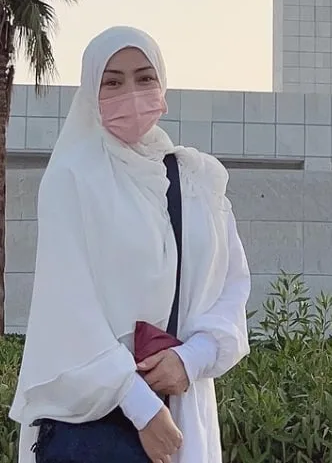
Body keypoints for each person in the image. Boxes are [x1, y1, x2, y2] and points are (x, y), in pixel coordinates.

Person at [10, 26, 251, 463]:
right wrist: (140, 405)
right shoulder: (73, 178)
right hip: (101, 417)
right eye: (113, 82)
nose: (131, 94)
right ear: (91, 91)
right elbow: (67, 309)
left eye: (144, 78)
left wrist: (191, 360)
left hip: (183, 409)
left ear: (162, 83)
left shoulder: (196, 181)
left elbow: (231, 289)